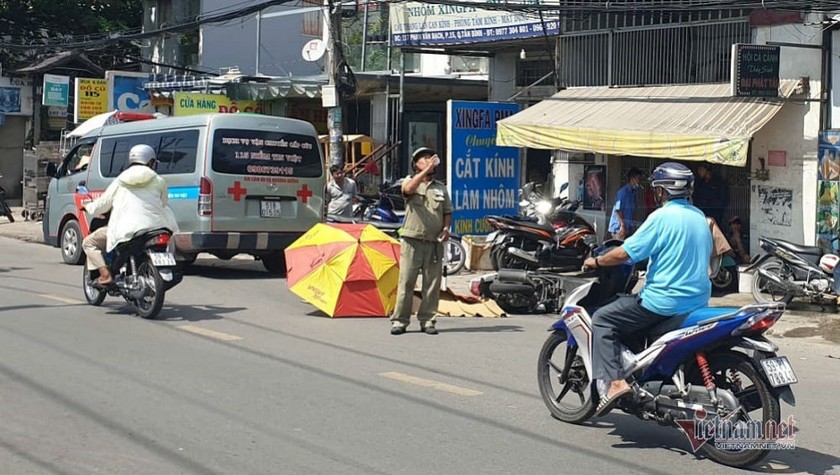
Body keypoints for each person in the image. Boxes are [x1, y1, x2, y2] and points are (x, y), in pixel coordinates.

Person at [582, 162, 712, 417]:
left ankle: (616, 383)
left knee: (603, 318)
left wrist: (596, 261)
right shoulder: (700, 217)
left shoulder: (661, 217)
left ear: (662, 191)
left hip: (662, 303)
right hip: (697, 302)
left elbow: (626, 252)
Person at [82, 144, 178, 286]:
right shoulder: (159, 180)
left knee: (88, 242)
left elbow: (102, 204)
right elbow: (163, 202)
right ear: (151, 162)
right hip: (156, 228)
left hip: (127, 231)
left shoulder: (120, 181)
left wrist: (88, 206)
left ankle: (105, 275)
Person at [390, 147, 453, 336]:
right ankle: (400, 321)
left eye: (430, 158)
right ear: (416, 164)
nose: (428, 160)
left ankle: (427, 320)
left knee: (432, 284)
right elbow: (408, 190)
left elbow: (447, 211)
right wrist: (425, 171)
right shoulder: (410, 181)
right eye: (423, 159)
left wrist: (446, 228)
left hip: (433, 242)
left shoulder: (440, 188)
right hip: (412, 240)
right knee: (407, 282)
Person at [607, 167, 643, 239]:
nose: (639, 181)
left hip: (628, 229)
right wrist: (622, 226)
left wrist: (634, 225)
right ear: (632, 179)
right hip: (619, 229)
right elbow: (618, 210)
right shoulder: (622, 193)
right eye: (638, 179)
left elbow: (633, 210)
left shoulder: (634, 193)